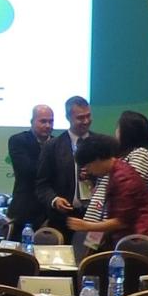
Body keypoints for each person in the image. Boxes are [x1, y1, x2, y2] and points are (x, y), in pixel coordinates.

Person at [66, 131, 148, 253]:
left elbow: (121, 222)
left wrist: (86, 226)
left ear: (97, 160)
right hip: (134, 239)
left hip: (144, 241)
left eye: (88, 166)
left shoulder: (123, 177)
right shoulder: (115, 172)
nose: (88, 171)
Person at [35, 94, 92, 234]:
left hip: (94, 218)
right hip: (62, 219)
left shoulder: (102, 144)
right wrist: (54, 200)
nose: (86, 121)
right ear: (68, 117)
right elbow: (42, 185)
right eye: (80, 118)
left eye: (88, 116)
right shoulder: (52, 146)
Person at [7, 103, 54, 233]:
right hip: (24, 210)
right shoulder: (18, 140)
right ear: (32, 121)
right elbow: (27, 171)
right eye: (43, 121)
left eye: (51, 121)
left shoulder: (58, 144)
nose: (48, 125)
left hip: (50, 211)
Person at [115, 109, 148, 181]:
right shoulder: (121, 155)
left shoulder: (142, 153)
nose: (116, 131)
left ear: (127, 132)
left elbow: (129, 182)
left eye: (119, 127)